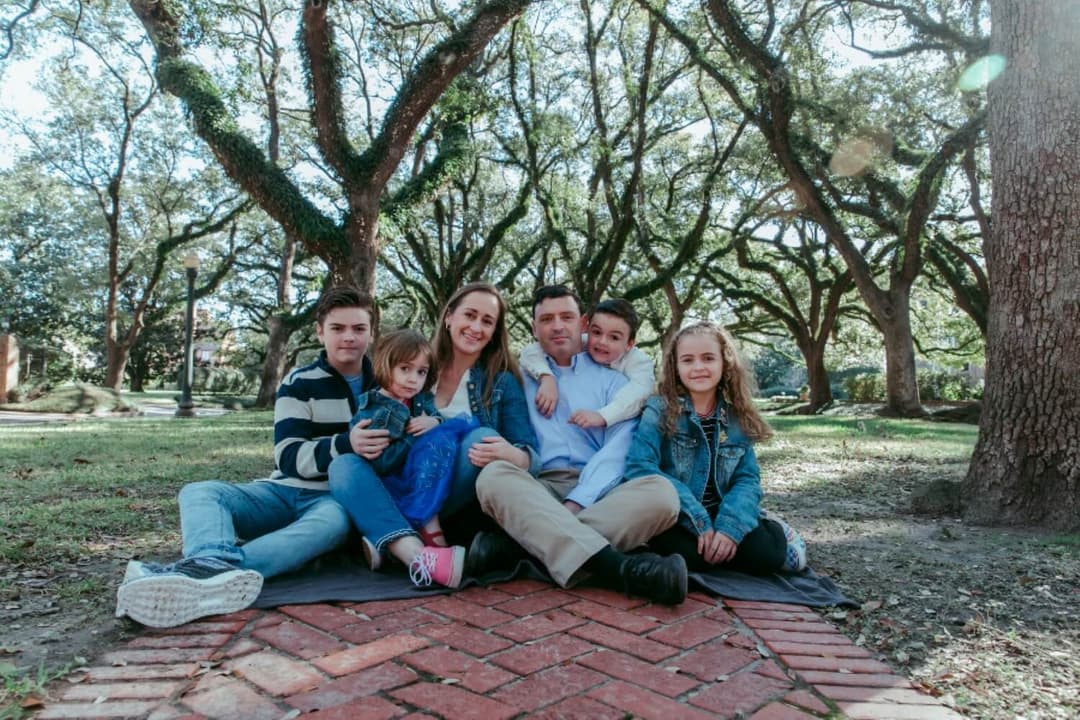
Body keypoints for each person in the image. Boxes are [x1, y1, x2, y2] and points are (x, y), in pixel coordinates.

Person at [115, 287, 377, 628]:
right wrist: (347, 443)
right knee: (200, 492)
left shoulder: (388, 383)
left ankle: (191, 576)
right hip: (280, 492)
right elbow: (288, 456)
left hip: (333, 500)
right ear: (319, 332)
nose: (349, 338)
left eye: (358, 329)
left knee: (332, 525)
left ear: (371, 333)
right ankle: (212, 567)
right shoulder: (299, 382)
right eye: (338, 328)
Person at [469, 285, 688, 605]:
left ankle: (520, 549)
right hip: (537, 487)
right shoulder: (518, 376)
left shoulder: (615, 380)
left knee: (663, 495)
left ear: (582, 323)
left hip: (601, 492)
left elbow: (619, 449)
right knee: (493, 478)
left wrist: (579, 501)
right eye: (546, 319)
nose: (557, 326)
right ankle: (620, 568)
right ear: (534, 328)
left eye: (566, 317)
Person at [328, 282, 539, 586]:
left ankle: (390, 541)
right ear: (449, 316)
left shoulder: (502, 382)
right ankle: (418, 553)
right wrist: (357, 440)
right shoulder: (414, 361)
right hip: (396, 478)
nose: (476, 327)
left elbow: (531, 455)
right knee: (343, 465)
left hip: (454, 496)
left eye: (487, 321)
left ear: (495, 331)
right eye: (470, 315)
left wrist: (514, 454)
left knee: (477, 436)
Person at [625, 321, 806, 575]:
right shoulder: (659, 409)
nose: (698, 367)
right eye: (688, 360)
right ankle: (724, 546)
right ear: (675, 367)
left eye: (708, 358)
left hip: (724, 510)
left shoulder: (735, 417)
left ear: (725, 363)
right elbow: (639, 467)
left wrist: (729, 529)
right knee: (689, 559)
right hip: (680, 515)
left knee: (767, 555)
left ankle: (771, 526)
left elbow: (747, 479)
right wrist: (700, 523)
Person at [348, 328, 458, 559]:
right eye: (405, 369)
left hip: (423, 478)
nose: (413, 379)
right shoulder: (373, 409)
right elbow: (382, 463)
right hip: (390, 485)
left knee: (448, 434)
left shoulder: (421, 400)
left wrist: (434, 421)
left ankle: (395, 547)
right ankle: (398, 544)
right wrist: (413, 436)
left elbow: (438, 418)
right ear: (386, 365)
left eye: (421, 372)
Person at [520, 298, 655, 428]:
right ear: (587, 329)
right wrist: (546, 378)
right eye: (596, 332)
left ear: (629, 344)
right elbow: (531, 351)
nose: (602, 342)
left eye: (614, 337)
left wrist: (602, 416)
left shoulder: (639, 362)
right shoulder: (585, 342)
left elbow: (640, 393)